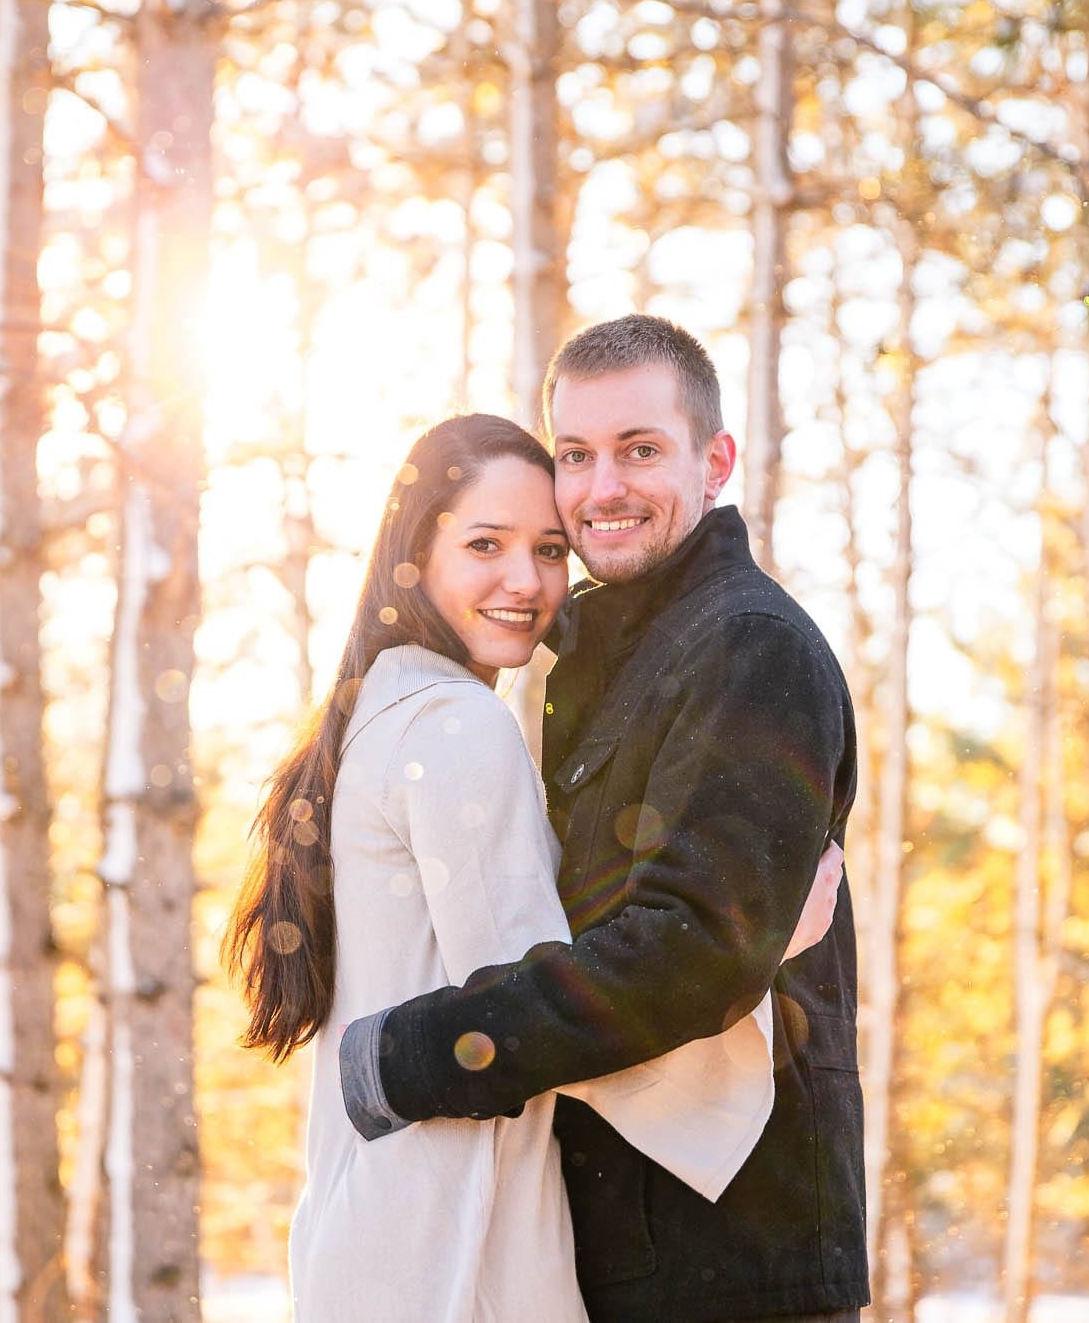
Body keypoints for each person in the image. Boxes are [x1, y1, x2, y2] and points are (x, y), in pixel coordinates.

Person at [226, 413, 838, 1322]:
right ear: (413, 554)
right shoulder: (459, 726)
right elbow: (548, 1017)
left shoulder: (380, 713)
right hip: (456, 1248)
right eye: (485, 544)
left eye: (550, 549)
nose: (526, 582)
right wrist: (750, 943)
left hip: (377, 1234)